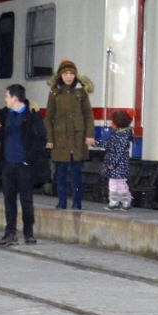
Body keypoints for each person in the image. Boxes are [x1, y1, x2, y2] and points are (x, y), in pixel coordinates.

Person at [0, 84, 47, 246]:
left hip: (24, 165)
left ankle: (28, 233)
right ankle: (10, 233)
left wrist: (28, 159)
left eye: (7, 96)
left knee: (26, 200)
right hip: (8, 164)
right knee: (9, 200)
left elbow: (41, 138)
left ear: (15, 98)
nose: (5, 99)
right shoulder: (5, 115)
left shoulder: (31, 115)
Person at [45, 59, 95, 210]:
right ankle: (62, 202)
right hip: (60, 138)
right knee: (61, 173)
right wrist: (50, 139)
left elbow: (88, 115)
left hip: (78, 139)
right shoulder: (55, 93)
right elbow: (48, 117)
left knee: (77, 172)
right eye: (66, 73)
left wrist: (89, 135)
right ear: (60, 75)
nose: (69, 76)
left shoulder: (81, 93)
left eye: (72, 74)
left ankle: (77, 203)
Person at [94, 110, 135, 211]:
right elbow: (109, 144)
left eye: (112, 122)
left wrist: (113, 164)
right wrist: (95, 143)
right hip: (119, 165)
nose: (111, 124)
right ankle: (119, 202)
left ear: (118, 124)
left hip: (118, 165)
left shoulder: (121, 136)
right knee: (117, 183)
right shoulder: (119, 135)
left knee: (118, 184)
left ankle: (120, 202)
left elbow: (118, 152)